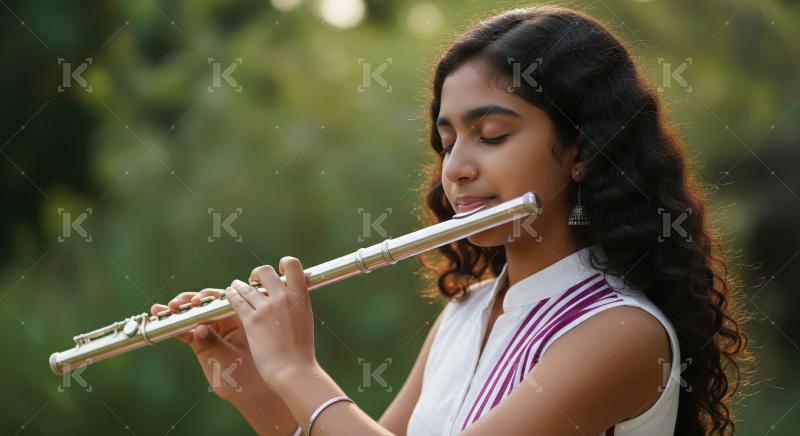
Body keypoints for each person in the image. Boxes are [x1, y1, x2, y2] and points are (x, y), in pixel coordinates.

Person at [152, 6, 751, 436]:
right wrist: (254, 384)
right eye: (447, 141)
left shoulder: (619, 334)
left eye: (491, 135)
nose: (457, 168)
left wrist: (296, 368)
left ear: (581, 150)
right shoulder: (463, 314)